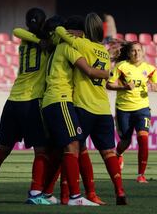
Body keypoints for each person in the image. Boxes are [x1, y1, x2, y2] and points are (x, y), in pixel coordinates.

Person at [0, 7, 52, 205]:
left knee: (2, 148)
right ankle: (35, 194)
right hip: (31, 101)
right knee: (41, 150)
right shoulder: (47, 44)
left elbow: (17, 31)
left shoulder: (24, 42)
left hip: (12, 101)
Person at [56, 12, 127, 205]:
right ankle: (120, 191)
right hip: (104, 109)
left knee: (72, 150)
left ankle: (66, 194)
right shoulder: (103, 51)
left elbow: (60, 32)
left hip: (83, 107)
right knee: (109, 153)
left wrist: (67, 30)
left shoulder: (82, 45)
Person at [41, 15, 109, 206]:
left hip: (51, 101)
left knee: (60, 149)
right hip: (61, 100)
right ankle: (75, 197)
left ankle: (44, 193)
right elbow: (89, 70)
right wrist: (108, 73)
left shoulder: (54, 49)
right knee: (72, 146)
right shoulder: (67, 47)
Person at [106, 41, 157, 184]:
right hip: (124, 109)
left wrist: (155, 86)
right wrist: (123, 88)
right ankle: (118, 154)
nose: (136, 53)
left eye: (139, 50)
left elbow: (156, 84)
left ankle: (141, 175)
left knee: (143, 138)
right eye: (133, 51)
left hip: (142, 108)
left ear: (143, 52)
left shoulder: (150, 69)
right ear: (128, 53)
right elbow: (109, 84)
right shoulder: (121, 67)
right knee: (125, 140)